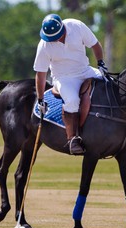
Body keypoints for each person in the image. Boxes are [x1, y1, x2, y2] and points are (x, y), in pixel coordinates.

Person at [33, 14, 108, 155]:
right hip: (63, 77)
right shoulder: (44, 44)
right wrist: (40, 99)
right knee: (72, 100)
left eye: (57, 37)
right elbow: (41, 73)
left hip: (85, 70)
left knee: (109, 83)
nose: (54, 40)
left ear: (63, 29)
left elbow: (95, 45)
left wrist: (101, 63)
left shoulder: (76, 26)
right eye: (51, 38)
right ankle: (72, 139)